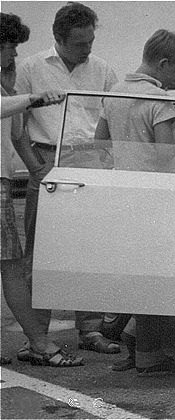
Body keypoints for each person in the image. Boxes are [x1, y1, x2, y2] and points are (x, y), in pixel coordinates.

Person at [14, 2, 120, 355]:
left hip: (90, 159)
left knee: (90, 248)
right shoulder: (30, 68)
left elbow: (113, 117)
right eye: (79, 43)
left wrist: (105, 159)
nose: (86, 49)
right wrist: (34, 166)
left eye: (90, 41)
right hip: (47, 158)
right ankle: (38, 335)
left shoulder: (102, 69)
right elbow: (17, 123)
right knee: (40, 250)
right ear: (58, 38)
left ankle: (90, 330)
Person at [96, 28, 175, 375]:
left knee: (136, 270)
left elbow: (99, 140)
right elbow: (165, 152)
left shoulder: (114, 93)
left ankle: (130, 338)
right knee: (157, 276)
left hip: (125, 192)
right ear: (163, 64)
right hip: (155, 195)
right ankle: (148, 353)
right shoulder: (157, 99)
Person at [1, 12, 82, 367]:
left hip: (3, 181)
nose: (14, 55)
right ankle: (38, 342)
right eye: (9, 47)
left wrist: (11, 88)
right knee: (12, 266)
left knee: (12, 264)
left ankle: (38, 341)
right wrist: (32, 98)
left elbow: (16, 131)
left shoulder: (6, 89)